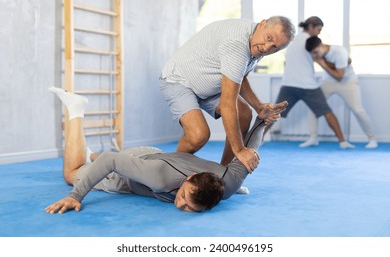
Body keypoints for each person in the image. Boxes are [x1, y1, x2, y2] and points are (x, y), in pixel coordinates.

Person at [45, 87, 287, 214]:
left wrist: (262, 121)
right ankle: (76, 110)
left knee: (100, 161)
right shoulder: (159, 178)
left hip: (154, 155)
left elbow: (250, 151)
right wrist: (75, 196)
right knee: (72, 173)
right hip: (135, 170)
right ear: (190, 179)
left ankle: (88, 155)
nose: (180, 205)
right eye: (183, 197)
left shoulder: (229, 185)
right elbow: (111, 161)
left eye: (190, 208)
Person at [160, 16, 296, 168]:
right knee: (198, 135)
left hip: (209, 86)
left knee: (244, 114)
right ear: (262, 24)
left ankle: (224, 174)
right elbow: (227, 104)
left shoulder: (257, 44)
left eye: (274, 47)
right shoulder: (237, 43)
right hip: (179, 80)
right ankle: (170, 170)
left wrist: (259, 107)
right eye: (268, 38)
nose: (266, 48)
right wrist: (240, 150)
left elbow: (241, 78)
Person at [268, 16, 354, 149]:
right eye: (318, 29)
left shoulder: (293, 39)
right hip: (308, 85)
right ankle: (343, 142)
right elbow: (323, 54)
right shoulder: (311, 42)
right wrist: (346, 61)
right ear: (311, 27)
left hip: (289, 84)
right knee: (327, 112)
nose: (319, 33)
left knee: (273, 114)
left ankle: (255, 142)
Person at [299, 36, 377, 149]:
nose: (315, 56)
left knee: (358, 110)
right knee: (313, 106)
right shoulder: (316, 53)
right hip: (327, 82)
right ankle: (313, 138)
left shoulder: (339, 52)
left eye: (316, 52)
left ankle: (372, 139)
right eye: (312, 53)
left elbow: (339, 77)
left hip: (348, 82)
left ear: (322, 46)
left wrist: (323, 65)